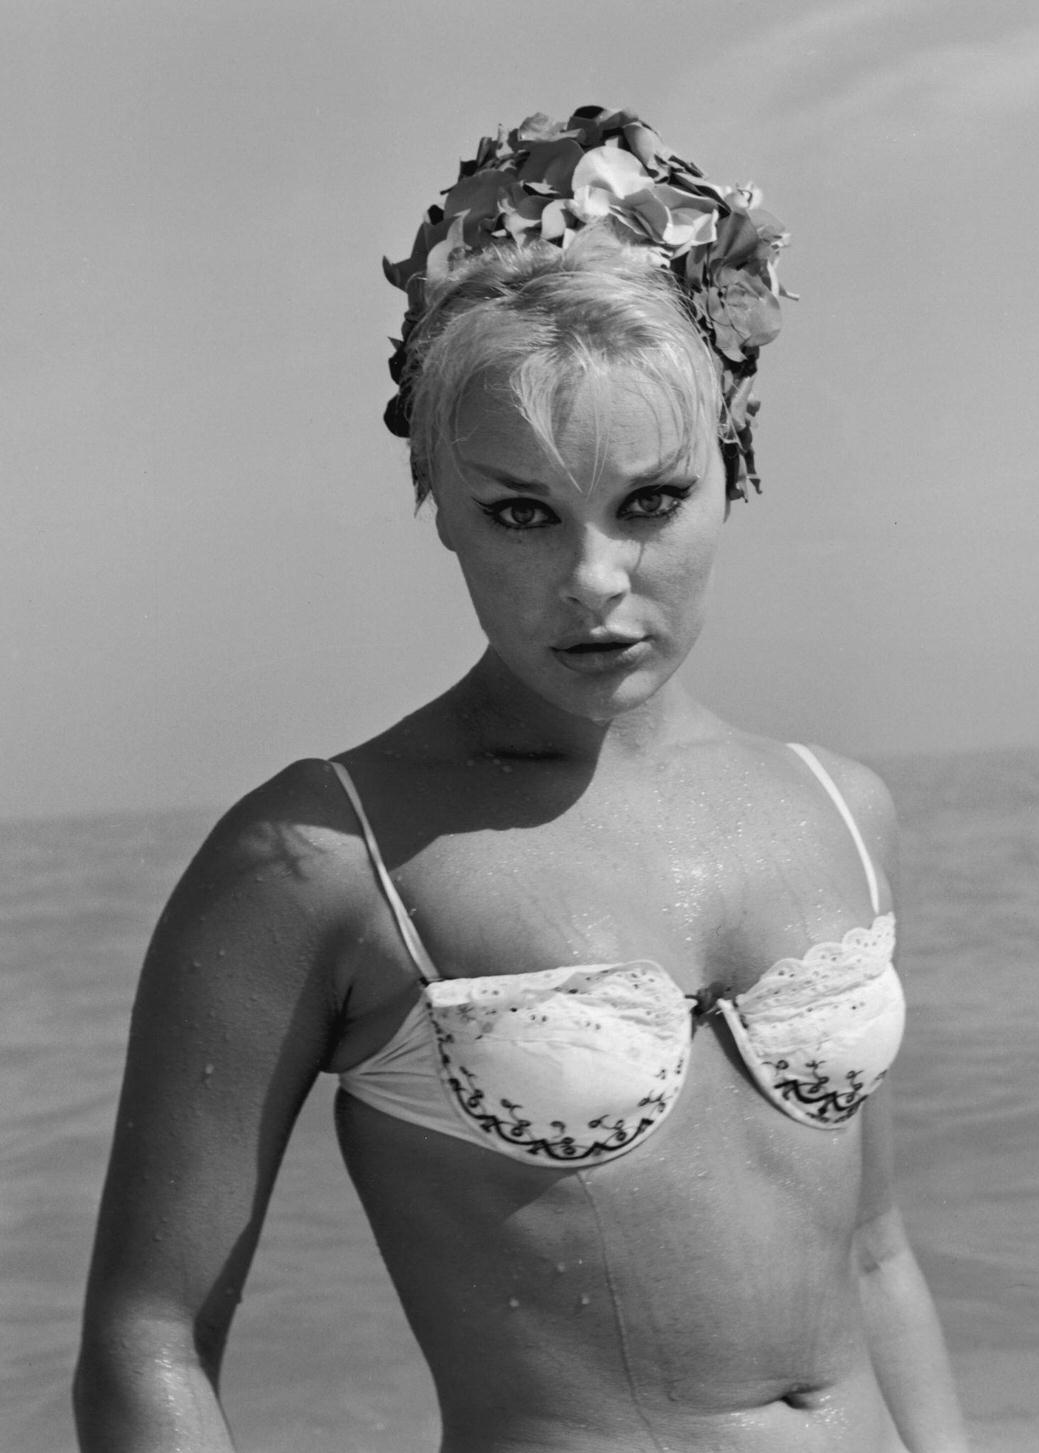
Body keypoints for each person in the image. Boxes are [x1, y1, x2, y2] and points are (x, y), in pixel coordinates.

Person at [74, 106, 968, 1453]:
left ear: (734, 465)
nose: (595, 582)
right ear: (436, 494)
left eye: (651, 502)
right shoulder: (324, 858)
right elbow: (150, 1344)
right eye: (522, 513)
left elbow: (877, 1260)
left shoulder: (840, 809)